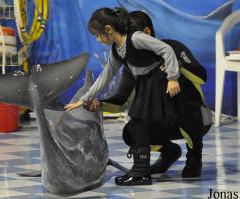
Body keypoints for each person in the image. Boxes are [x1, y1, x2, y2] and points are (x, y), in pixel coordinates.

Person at [87, 10, 212, 179]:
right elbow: (121, 100)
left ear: (145, 33)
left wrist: (177, 66)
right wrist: (99, 104)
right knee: (132, 130)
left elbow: (202, 76)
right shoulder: (134, 63)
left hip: (194, 118)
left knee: (188, 111)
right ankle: (168, 152)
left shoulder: (172, 47)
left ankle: (194, 157)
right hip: (163, 120)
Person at [65, 7, 181, 186]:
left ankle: (141, 172)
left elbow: (167, 50)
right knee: (136, 125)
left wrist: (173, 78)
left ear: (109, 30)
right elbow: (106, 76)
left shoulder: (136, 38)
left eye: (97, 34)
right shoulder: (116, 50)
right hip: (144, 83)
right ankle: (145, 166)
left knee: (139, 124)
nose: (97, 39)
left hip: (157, 82)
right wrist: (83, 99)